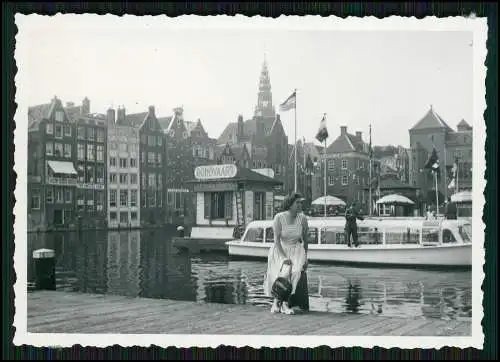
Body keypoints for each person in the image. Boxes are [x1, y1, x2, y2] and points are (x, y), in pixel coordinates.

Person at [263, 192, 309, 315]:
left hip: (296, 250)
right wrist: (284, 257)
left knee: (295, 271)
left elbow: (305, 240)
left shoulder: (303, 219)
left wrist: (306, 258)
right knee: (283, 272)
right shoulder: (279, 217)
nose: (300, 205)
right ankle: (277, 302)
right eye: (297, 203)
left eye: (301, 202)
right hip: (280, 249)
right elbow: (276, 240)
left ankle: (284, 304)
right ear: (290, 204)